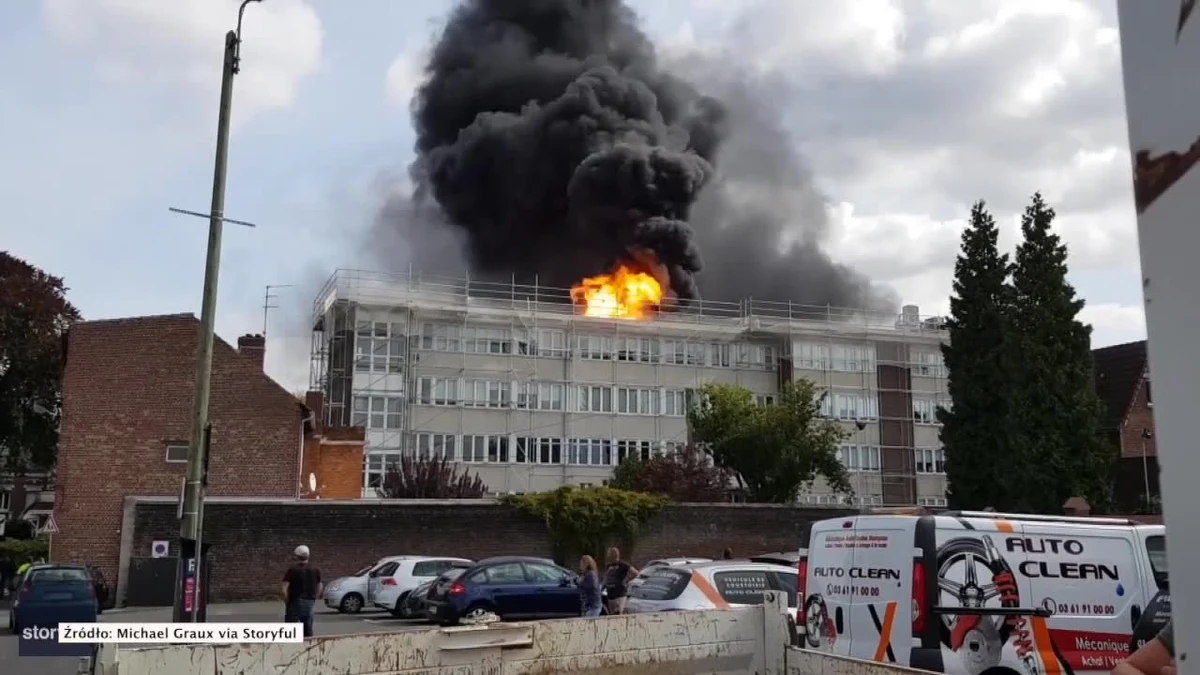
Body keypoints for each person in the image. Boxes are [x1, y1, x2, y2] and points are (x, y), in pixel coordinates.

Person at [281, 545, 322, 638]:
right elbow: (320, 586)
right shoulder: (315, 570)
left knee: (290, 632)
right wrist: (314, 598)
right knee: (307, 632)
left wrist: (287, 601)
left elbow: (284, 590)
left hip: (294, 602)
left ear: (296, 556)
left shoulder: (292, 570)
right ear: (308, 556)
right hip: (309, 603)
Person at [603, 547, 638, 616]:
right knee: (611, 615)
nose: (608, 556)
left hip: (619, 594)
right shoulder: (608, 565)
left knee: (617, 615)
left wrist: (626, 580)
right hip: (610, 594)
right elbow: (606, 577)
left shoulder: (622, 564)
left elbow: (635, 573)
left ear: (614, 555)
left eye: (609, 554)